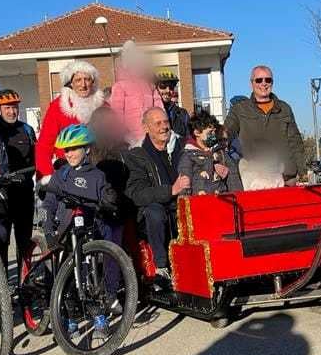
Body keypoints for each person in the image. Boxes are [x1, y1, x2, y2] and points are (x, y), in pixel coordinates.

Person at [124, 108, 188, 280]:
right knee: (155, 211)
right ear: (146, 128)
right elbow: (137, 194)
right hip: (154, 216)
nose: (164, 127)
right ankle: (161, 267)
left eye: (166, 122)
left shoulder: (182, 147)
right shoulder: (136, 155)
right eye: (158, 123)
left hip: (182, 206)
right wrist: (170, 190)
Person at [0, 89, 36, 269]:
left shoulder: (27, 130)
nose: (12, 111)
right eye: (7, 108)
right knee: (0, 242)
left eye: (15, 107)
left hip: (24, 193)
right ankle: (3, 287)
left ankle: (24, 284)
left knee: (24, 242)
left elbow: (36, 158)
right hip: (0, 196)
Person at [225, 65, 305, 185]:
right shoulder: (240, 109)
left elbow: (295, 141)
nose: (264, 83)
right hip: (256, 179)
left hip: (286, 178)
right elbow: (226, 132)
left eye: (268, 80)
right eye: (259, 80)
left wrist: (302, 171)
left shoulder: (284, 108)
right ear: (251, 83)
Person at [43, 125, 118, 243]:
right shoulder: (60, 175)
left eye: (74, 149)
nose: (69, 154)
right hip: (66, 233)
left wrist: (111, 201)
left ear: (87, 149)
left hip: (93, 232)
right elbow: (48, 205)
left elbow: (108, 205)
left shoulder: (98, 176)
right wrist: (48, 231)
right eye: (66, 150)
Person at [35, 60, 107, 182]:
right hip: (68, 169)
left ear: (93, 82)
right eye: (78, 80)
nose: (83, 85)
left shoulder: (103, 105)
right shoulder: (58, 107)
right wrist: (46, 175)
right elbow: (44, 145)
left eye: (87, 79)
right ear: (71, 84)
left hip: (99, 168)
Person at [108, 40, 160, 146]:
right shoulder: (120, 86)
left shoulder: (149, 86)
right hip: (130, 137)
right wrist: (122, 135)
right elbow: (117, 113)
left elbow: (159, 107)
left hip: (150, 134)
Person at [178, 111, 237, 195]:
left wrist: (238, 198)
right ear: (197, 132)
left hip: (222, 201)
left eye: (214, 132)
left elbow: (233, 177)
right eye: (210, 133)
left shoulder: (220, 152)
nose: (213, 136)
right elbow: (184, 182)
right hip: (200, 202)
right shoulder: (188, 155)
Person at [156, 70, 190, 140]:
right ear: (155, 89)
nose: (168, 90)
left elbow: (189, 138)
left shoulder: (182, 114)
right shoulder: (148, 113)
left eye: (171, 87)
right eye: (163, 86)